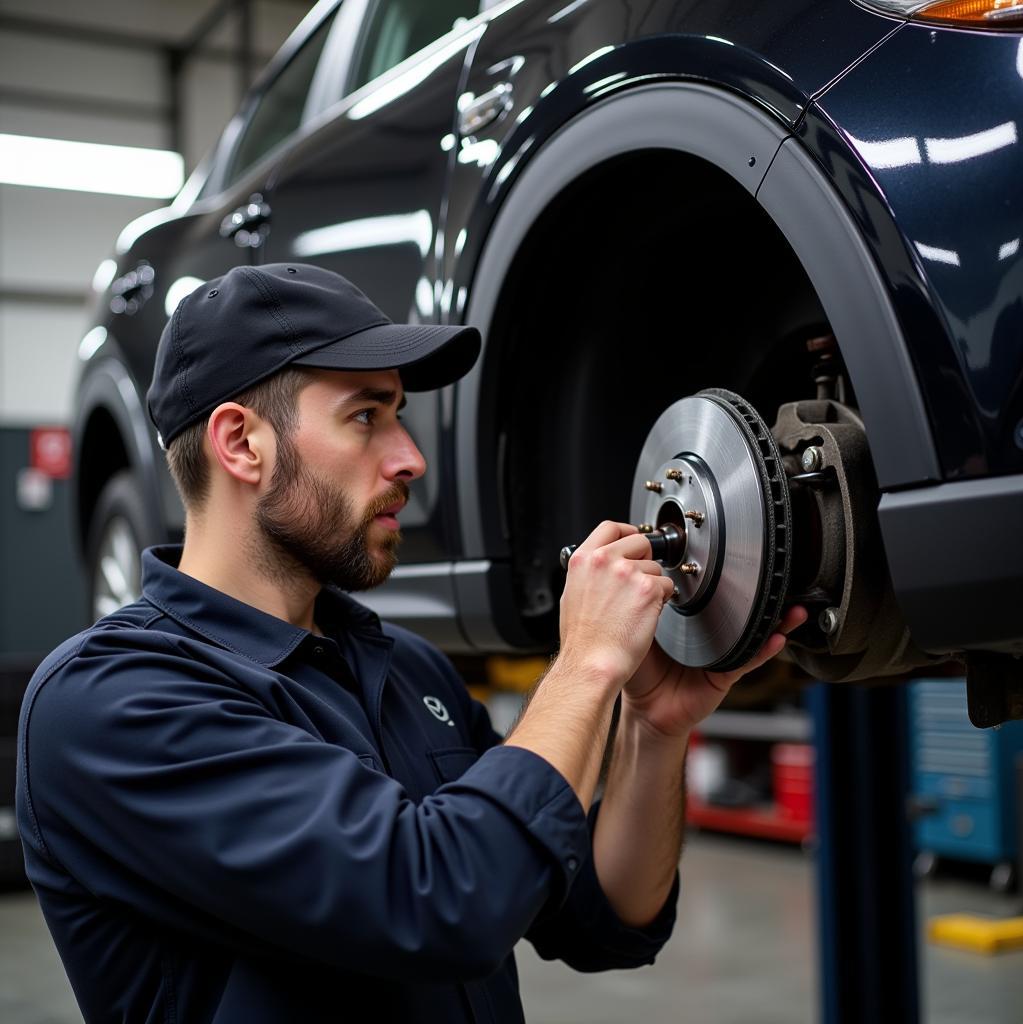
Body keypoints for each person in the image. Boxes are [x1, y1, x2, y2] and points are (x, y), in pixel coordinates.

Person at [17, 263, 805, 1023]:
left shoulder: (405, 669)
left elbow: (602, 917)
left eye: (399, 415)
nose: (411, 459)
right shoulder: (113, 702)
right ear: (241, 444)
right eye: (367, 417)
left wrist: (651, 728)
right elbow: (442, 901)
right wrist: (586, 664)